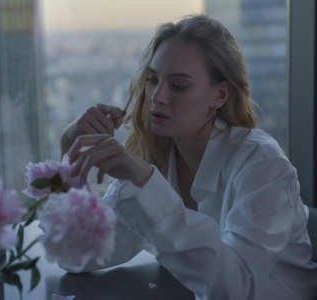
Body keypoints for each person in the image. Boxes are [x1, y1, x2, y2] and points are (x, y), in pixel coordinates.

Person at [59, 14, 317, 300]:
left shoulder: (262, 164)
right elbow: (76, 255)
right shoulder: (154, 157)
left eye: (178, 85)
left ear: (220, 95)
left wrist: (147, 186)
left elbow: (234, 289)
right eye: (153, 80)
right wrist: (68, 157)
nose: (157, 96)